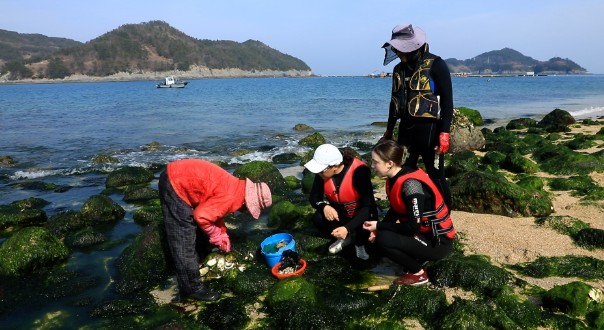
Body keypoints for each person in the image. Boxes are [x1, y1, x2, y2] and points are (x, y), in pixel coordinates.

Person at [158, 158, 272, 302]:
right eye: (248, 209)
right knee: (183, 238)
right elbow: (202, 216)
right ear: (246, 202)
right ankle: (191, 288)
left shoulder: (236, 186)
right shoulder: (232, 197)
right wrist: (216, 235)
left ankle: (196, 261)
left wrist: (222, 234)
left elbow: (215, 211)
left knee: (196, 232)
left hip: (178, 173)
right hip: (175, 183)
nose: (245, 212)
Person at [380, 23, 454, 208]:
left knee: (436, 175)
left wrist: (445, 133)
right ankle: (407, 210)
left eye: (402, 49)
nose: (399, 53)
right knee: (403, 172)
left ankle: (445, 216)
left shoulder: (436, 64)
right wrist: (388, 130)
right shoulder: (398, 70)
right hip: (405, 130)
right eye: (397, 49)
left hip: (430, 131)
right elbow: (394, 102)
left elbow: (447, 100)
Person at [363, 140, 455, 285]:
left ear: (390, 163)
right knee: (378, 239)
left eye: (375, 162)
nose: (372, 166)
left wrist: (379, 226)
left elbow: (413, 228)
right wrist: (377, 229)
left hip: (437, 242)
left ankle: (418, 273)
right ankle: (418, 256)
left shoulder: (411, 185)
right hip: (423, 234)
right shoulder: (394, 177)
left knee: (384, 239)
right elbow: (396, 208)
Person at [304, 144, 378, 260]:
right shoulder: (322, 173)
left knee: (365, 229)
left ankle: (359, 243)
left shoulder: (359, 172)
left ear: (335, 166)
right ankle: (345, 238)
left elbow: (367, 207)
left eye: (321, 170)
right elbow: (314, 198)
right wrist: (324, 207)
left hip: (361, 215)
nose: (318, 174)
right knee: (318, 218)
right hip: (341, 215)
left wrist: (347, 227)